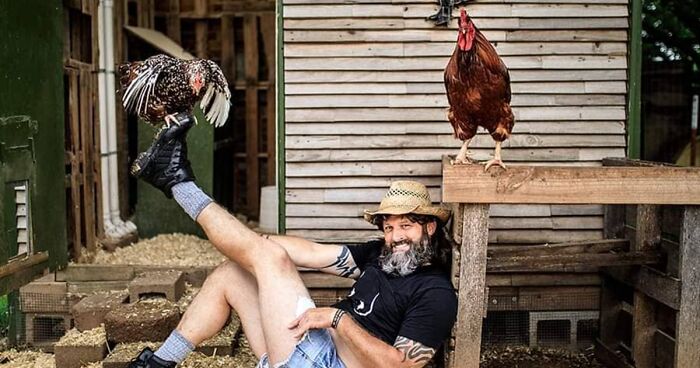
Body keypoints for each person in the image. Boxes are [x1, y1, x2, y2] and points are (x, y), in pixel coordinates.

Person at [127, 113, 458, 368]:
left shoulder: (435, 293)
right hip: (304, 348)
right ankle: (159, 362)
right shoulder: (380, 255)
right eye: (388, 227)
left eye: (406, 226)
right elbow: (312, 253)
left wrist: (336, 319)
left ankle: (176, 180)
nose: (396, 236)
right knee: (232, 273)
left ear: (429, 227)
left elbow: (398, 365)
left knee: (267, 258)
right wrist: (254, 244)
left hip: (326, 362)